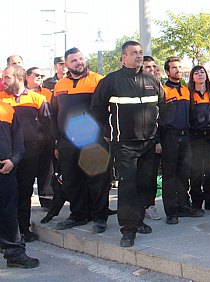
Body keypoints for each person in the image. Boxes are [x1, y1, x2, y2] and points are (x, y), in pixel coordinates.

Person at [90, 41, 166, 247]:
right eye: (134, 53)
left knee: (144, 185)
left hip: (148, 143)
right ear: (123, 57)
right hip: (124, 144)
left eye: (141, 53)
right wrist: (108, 132)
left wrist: (156, 136)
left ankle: (139, 220)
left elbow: (163, 107)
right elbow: (96, 110)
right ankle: (128, 230)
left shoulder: (151, 80)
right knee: (128, 187)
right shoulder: (111, 81)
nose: (138, 56)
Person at [51, 48, 111, 235]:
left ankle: (99, 217)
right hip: (67, 141)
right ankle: (78, 214)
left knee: (97, 179)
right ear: (66, 64)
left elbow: (108, 109)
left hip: (93, 139)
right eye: (74, 60)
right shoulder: (60, 85)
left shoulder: (98, 80)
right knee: (71, 179)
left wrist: (106, 133)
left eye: (81, 58)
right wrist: (57, 139)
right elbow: (54, 114)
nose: (79, 62)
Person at [0, 65, 50, 242]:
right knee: (6, 194)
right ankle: (8, 233)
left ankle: (23, 229)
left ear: (19, 79)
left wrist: (38, 144)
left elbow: (46, 125)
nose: (3, 81)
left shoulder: (37, 99)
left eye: (7, 77)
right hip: (7, 154)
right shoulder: (1, 99)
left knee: (25, 191)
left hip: (30, 153)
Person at [161, 57, 204, 222]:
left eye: (179, 67)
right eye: (173, 68)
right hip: (169, 137)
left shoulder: (186, 90)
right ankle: (171, 212)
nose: (177, 70)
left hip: (185, 136)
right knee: (170, 175)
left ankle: (184, 205)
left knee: (184, 173)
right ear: (167, 71)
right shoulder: (163, 90)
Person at [0, 100, 39, 268]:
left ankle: (14, 253)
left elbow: (18, 140)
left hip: (5, 171)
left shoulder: (7, 109)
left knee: (8, 213)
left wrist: (14, 160)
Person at [188, 65, 210, 212]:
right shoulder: (189, 95)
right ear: (192, 77)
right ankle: (196, 202)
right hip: (195, 138)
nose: (200, 75)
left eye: (202, 72)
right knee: (196, 171)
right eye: (196, 73)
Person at [25, 67, 54, 210]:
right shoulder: (20, 94)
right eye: (36, 75)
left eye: (42, 75)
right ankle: (24, 203)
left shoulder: (47, 93)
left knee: (46, 172)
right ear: (27, 76)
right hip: (27, 141)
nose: (40, 77)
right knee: (27, 173)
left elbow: (50, 115)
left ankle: (46, 202)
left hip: (45, 139)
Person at [141, 56, 162, 221]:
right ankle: (139, 208)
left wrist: (158, 140)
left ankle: (150, 205)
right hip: (137, 141)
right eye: (147, 67)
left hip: (155, 140)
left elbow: (162, 116)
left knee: (151, 176)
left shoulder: (158, 86)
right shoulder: (134, 87)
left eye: (153, 67)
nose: (151, 70)